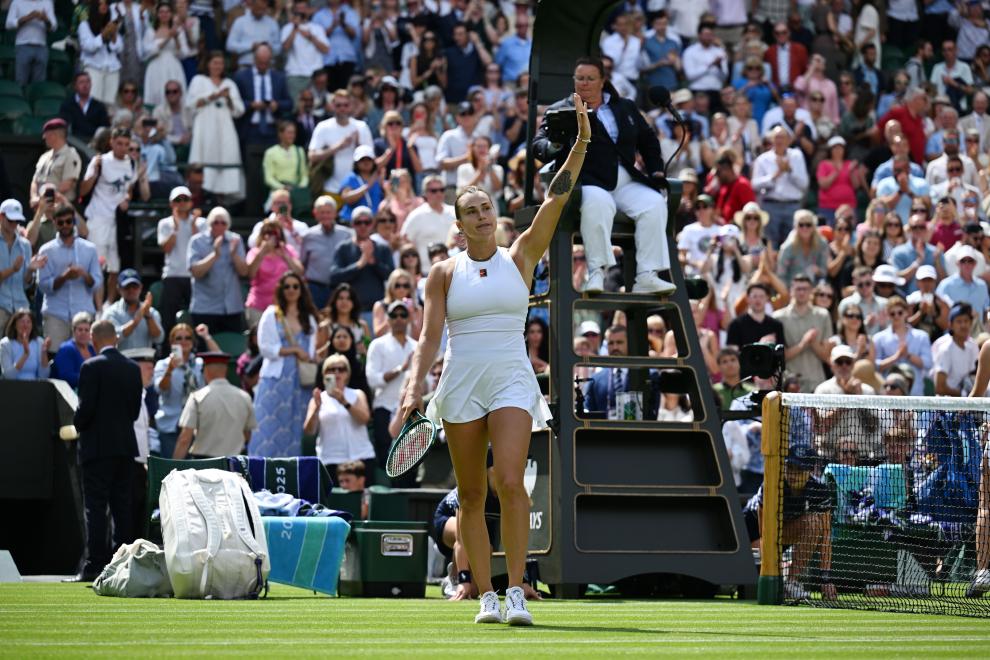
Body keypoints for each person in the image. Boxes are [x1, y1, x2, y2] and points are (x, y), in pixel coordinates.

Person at [396, 93, 589, 625]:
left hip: (510, 379)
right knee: (471, 494)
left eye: (487, 207)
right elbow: (428, 338)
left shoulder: (520, 255)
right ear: (459, 226)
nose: (483, 215)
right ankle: (485, 595)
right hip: (460, 382)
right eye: (472, 212)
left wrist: (581, 144)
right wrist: (414, 389)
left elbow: (556, 199)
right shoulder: (442, 273)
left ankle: (518, 591)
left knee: (509, 481)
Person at [533, 57, 672, 295]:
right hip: (586, 179)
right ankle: (596, 272)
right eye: (580, 78)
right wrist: (555, 144)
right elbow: (538, 145)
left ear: (602, 81)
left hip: (624, 178)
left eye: (590, 78)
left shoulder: (625, 107)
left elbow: (648, 140)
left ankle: (647, 275)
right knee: (598, 203)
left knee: (654, 203)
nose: (584, 83)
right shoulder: (560, 110)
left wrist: (656, 169)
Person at [66, 320, 143, 582]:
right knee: (122, 508)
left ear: (94, 340)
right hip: (125, 449)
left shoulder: (91, 366)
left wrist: (77, 424)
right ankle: (123, 567)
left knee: (95, 508)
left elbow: (85, 410)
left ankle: (94, 566)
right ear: (116, 339)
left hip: (97, 449)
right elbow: (134, 412)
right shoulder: (132, 368)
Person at [743, 444, 835, 601]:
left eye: (799, 469)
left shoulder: (819, 491)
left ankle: (791, 583)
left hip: (781, 534)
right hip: (752, 535)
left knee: (814, 523)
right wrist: (774, 566)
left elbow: (826, 535)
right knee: (758, 576)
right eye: (790, 467)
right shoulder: (772, 485)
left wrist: (825, 579)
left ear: (810, 471)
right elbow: (765, 533)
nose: (793, 474)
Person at [250, 272, 319, 458]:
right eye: (287, 286)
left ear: (301, 290)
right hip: (276, 380)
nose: (291, 290)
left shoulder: (309, 318)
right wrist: (293, 350)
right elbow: (265, 347)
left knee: (297, 427)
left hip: (301, 381)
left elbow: (311, 351)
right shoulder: (272, 314)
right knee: (268, 426)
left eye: (295, 286)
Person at [79, 127, 149, 308]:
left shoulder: (131, 163)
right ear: (111, 142)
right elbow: (83, 190)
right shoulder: (100, 161)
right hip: (98, 218)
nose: (123, 148)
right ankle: (96, 307)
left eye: (126, 144)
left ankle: (108, 305)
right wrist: (94, 174)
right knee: (96, 267)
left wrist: (127, 199)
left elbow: (129, 189)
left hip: (117, 222)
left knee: (115, 267)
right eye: (119, 143)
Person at [37, 206, 102, 351]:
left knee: (84, 358)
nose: (65, 225)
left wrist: (83, 274)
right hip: (56, 314)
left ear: (74, 222)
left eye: (68, 221)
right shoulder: (46, 250)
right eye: (61, 222)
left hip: (83, 314)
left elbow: (96, 283)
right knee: (54, 356)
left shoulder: (89, 249)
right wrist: (64, 276)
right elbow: (43, 286)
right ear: (54, 223)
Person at [173, 352, 257, 459]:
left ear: (206, 371)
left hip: (204, 463)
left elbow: (185, 439)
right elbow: (247, 434)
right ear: (226, 370)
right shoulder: (244, 397)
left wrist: (173, 465)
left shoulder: (197, 397)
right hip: (234, 462)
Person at [186, 51, 246, 198]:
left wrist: (228, 98)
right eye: (215, 63)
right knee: (205, 157)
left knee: (227, 156)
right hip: (205, 126)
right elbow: (191, 105)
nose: (218, 66)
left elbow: (239, 111)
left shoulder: (229, 83)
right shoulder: (198, 80)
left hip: (225, 127)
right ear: (207, 64)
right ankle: (205, 193)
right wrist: (213, 96)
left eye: (221, 63)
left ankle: (223, 195)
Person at [304, 353, 375, 475]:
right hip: (330, 460)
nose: (336, 373)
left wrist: (344, 402)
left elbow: (364, 419)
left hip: (360, 457)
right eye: (331, 369)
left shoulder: (357, 394)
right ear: (324, 374)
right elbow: (309, 431)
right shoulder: (318, 399)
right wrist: (316, 408)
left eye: (341, 369)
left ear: (347, 374)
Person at [187, 207, 249, 335]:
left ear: (228, 225)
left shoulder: (235, 240)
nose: (219, 226)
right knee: (205, 347)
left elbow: (244, 272)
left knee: (231, 346)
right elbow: (196, 272)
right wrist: (215, 255)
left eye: (223, 223)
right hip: (205, 308)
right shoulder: (197, 241)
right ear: (209, 224)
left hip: (231, 308)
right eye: (216, 222)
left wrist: (234, 255)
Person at [330, 206, 394, 326]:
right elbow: (334, 277)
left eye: (367, 222)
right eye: (358, 222)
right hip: (349, 313)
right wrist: (359, 264)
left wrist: (374, 262)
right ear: (352, 224)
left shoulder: (382, 248)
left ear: (372, 224)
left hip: (375, 312)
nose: (363, 226)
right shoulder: (343, 248)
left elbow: (391, 277)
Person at [156, 185, 205, 336]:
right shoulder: (165, 223)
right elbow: (166, 248)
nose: (182, 202)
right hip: (173, 275)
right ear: (172, 203)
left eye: (185, 199)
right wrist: (175, 229)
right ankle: (166, 347)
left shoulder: (201, 223)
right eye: (178, 199)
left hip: (194, 276)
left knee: (198, 317)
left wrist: (193, 226)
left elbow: (202, 248)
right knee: (168, 318)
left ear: (191, 202)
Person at [308, 89, 374, 199]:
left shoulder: (361, 127)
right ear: (332, 106)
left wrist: (358, 145)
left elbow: (372, 160)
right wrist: (338, 146)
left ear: (351, 106)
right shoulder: (323, 127)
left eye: (345, 105)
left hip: (357, 189)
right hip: (330, 189)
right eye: (338, 105)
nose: (342, 108)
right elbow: (312, 156)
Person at [751, 126, 809, 249]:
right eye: (776, 137)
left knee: (793, 245)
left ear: (788, 140)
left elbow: (804, 184)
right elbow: (754, 184)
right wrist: (774, 177)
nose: (779, 140)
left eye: (782, 137)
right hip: (771, 206)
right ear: (771, 139)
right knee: (770, 244)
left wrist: (789, 171)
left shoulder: (797, 156)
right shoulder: (763, 159)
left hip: (792, 206)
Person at [774, 274, 833, 393]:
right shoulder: (778, 317)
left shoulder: (823, 315)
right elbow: (778, 358)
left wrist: (813, 343)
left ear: (811, 291)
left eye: (805, 289)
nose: (801, 292)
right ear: (791, 291)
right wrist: (803, 343)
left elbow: (827, 356)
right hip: (789, 383)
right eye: (798, 289)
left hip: (816, 382)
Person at [245, 218, 305, 328]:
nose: (270, 236)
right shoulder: (254, 252)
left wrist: (285, 256)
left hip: (284, 306)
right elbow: (250, 274)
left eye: (274, 233)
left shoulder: (288, 250)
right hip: (259, 305)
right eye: (267, 232)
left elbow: (299, 272)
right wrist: (262, 253)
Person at [233, 43, 292, 146]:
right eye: (260, 63)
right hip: (250, 129)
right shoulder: (241, 77)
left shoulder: (279, 77)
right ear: (254, 60)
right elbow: (235, 102)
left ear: (270, 61)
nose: (263, 66)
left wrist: (277, 105)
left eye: (266, 63)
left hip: (273, 129)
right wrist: (251, 105)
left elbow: (289, 103)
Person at [874, 295, 933, 396]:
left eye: (900, 312)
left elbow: (928, 364)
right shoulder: (878, 338)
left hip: (915, 394)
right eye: (892, 314)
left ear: (906, 313)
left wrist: (908, 355)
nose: (896, 316)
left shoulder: (922, 336)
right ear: (888, 315)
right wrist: (896, 357)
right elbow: (876, 366)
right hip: (888, 395)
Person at [141, 1, 194, 108]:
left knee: (174, 94)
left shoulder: (178, 30)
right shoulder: (151, 31)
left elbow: (184, 53)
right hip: (156, 66)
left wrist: (176, 38)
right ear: (157, 14)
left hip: (173, 66)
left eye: (167, 12)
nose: (164, 14)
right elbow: (147, 52)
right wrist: (168, 38)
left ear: (171, 14)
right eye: (161, 12)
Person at [102, 269, 162, 351]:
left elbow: (159, 339)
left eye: (135, 287)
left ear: (141, 287)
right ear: (119, 288)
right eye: (127, 287)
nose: (131, 290)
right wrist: (135, 321)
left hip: (145, 358)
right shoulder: (111, 313)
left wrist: (148, 316)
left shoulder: (151, 312)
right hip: (121, 358)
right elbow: (109, 339)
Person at [281, 0, 330, 102]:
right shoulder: (287, 28)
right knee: (296, 106)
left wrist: (311, 37)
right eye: (298, 9)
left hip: (316, 74)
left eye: (303, 9)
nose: (301, 12)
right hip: (295, 74)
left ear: (309, 10)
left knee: (317, 105)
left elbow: (326, 50)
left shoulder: (317, 28)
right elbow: (285, 48)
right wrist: (295, 28)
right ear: (294, 11)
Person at [77, 0, 123, 105]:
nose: (104, 6)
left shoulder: (111, 24)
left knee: (110, 105)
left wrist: (113, 34)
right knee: (94, 104)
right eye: (100, 3)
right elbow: (89, 47)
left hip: (112, 69)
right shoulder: (84, 25)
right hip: (94, 69)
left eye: (106, 3)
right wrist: (103, 35)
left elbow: (119, 48)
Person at [30, 119, 82, 210]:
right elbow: (35, 181)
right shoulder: (44, 157)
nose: (44, 137)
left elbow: (67, 184)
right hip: (41, 208)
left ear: (54, 135)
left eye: (46, 134)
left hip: (60, 210)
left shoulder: (71, 155)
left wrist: (44, 197)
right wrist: (34, 197)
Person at [932, 302, 979, 397]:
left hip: (966, 402)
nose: (963, 325)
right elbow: (939, 388)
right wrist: (963, 395)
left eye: (966, 321)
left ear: (971, 323)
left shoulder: (973, 346)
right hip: (946, 404)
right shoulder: (945, 349)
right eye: (959, 321)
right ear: (951, 325)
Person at [775, 210, 829, 286]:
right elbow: (781, 274)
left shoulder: (822, 244)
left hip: (815, 287)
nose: (805, 228)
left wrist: (818, 271)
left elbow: (824, 271)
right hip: (793, 287)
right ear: (795, 226)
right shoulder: (788, 247)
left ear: (814, 226)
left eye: (808, 225)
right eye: (801, 225)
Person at [726, 282, 786, 348]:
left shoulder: (776, 325)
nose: (758, 300)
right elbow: (733, 352)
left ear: (767, 298)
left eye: (761, 296)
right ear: (747, 299)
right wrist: (759, 346)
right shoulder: (736, 325)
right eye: (754, 296)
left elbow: (780, 351)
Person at [226, 0, 280, 68]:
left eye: (263, 9)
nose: (261, 12)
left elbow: (278, 48)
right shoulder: (240, 22)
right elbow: (230, 46)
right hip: (246, 65)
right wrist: (251, 47)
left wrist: (269, 48)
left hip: (267, 66)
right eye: (258, 8)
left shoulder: (272, 23)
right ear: (251, 6)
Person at [59, 72, 111, 142]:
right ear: (75, 86)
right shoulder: (67, 105)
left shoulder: (99, 106)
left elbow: (105, 128)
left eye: (87, 82)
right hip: (73, 141)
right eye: (81, 82)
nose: (85, 85)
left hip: (94, 141)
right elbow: (64, 126)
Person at [0, 309, 50, 380]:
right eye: (22, 321)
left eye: (28, 322)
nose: (25, 325)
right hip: (12, 385)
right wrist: (25, 355)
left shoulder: (39, 342)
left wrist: (44, 353)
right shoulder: (5, 344)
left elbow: (44, 376)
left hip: (34, 385)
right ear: (15, 325)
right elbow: (8, 375)